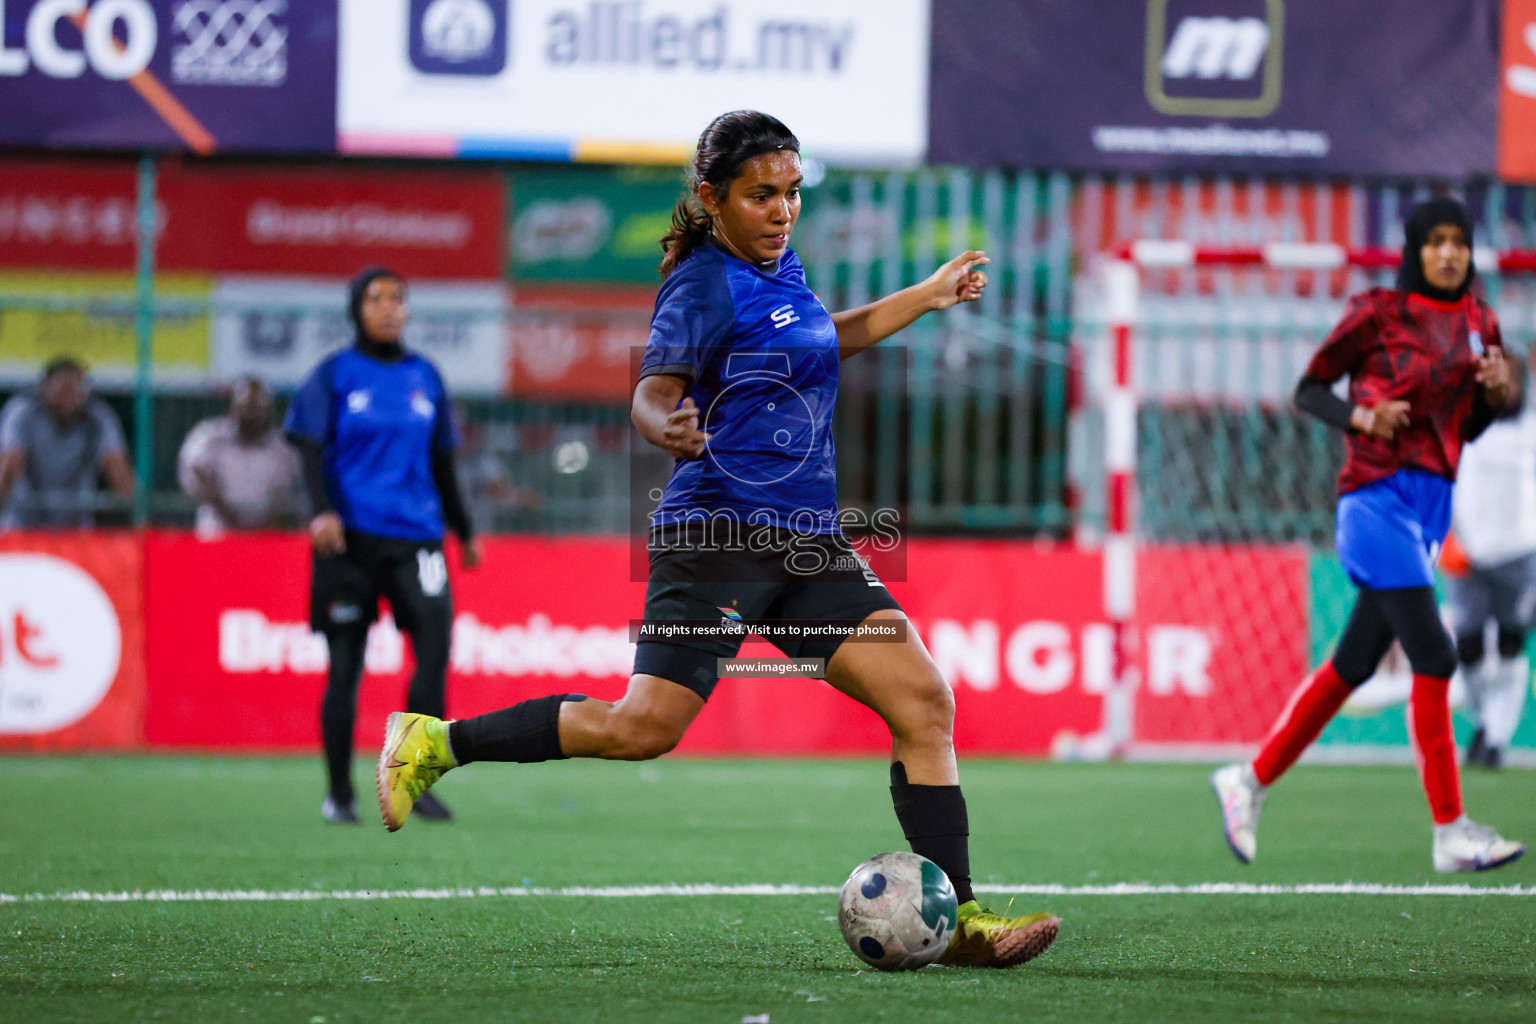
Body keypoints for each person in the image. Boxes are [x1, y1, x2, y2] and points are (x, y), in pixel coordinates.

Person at [377, 110, 1059, 969]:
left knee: (924, 702)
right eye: (761, 195)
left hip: (807, 541)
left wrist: (924, 297)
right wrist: (669, 427)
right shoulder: (702, 283)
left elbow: (820, 340)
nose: (782, 211)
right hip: (719, 532)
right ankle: (435, 743)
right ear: (713, 197)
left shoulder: (783, 267)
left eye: (793, 193)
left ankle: (956, 917)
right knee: (641, 730)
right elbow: (650, 390)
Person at [1212, 196, 1525, 873]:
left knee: (1353, 664)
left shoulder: (1481, 322)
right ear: (1415, 248)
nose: (1450, 254)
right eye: (1436, 241)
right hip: (1373, 498)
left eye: (1460, 243)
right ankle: (1450, 830)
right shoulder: (1377, 312)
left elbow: (1463, 430)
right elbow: (1308, 390)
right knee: (1436, 655)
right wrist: (1361, 417)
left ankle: (1249, 780)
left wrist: (1494, 398)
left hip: (1431, 507)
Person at [285, 266, 482, 825]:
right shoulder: (334, 374)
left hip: (418, 540)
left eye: (398, 298)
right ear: (356, 310)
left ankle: (413, 779)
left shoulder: (426, 376)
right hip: (348, 542)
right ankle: (339, 793)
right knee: (345, 665)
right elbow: (307, 449)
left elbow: (443, 461)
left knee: (435, 652)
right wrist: (319, 511)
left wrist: (463, 530)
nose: (390, 307)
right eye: (376, 298)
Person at [1442, 366, 1536, 769]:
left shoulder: (1531, 430)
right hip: (1469, 551)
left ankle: (1497, 738)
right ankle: (1482, 719)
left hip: (1520, 553)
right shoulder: (1463, 425)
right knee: (1469, 643)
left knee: (1512, 642)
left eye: (1510, 382)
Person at [0, 356, 133, 530]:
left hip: (75, 529)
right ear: (44, 387)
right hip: (24, 526)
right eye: (62, 391)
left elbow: (118, 469)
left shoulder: (98, 418)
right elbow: (10, 465)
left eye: (74, 391)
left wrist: (139, 521)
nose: (68, 398)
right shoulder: (22, 413)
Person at [178, 376, 301, 536]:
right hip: (218, 529)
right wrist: (223, 508)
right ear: (233, 408)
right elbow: (193, 471)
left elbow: (287, 494)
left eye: (258, 410)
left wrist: (267, 523)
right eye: (247, 408)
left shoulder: (283, 448)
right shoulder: (210, 437)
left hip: (265, 532)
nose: (252, 416)